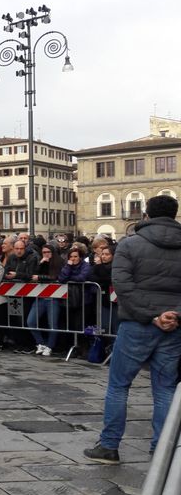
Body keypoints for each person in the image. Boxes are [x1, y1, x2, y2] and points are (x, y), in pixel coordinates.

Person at [85, 195, 181, 464]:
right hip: (173, 326)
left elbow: (123, 287)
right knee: (164, 389)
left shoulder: (130, 244)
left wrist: (152, 316)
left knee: (119, 385)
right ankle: (161, 450)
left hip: (137, 323)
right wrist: (173, 316)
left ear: (146, 215)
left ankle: (109, 446)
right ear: (174, 215)